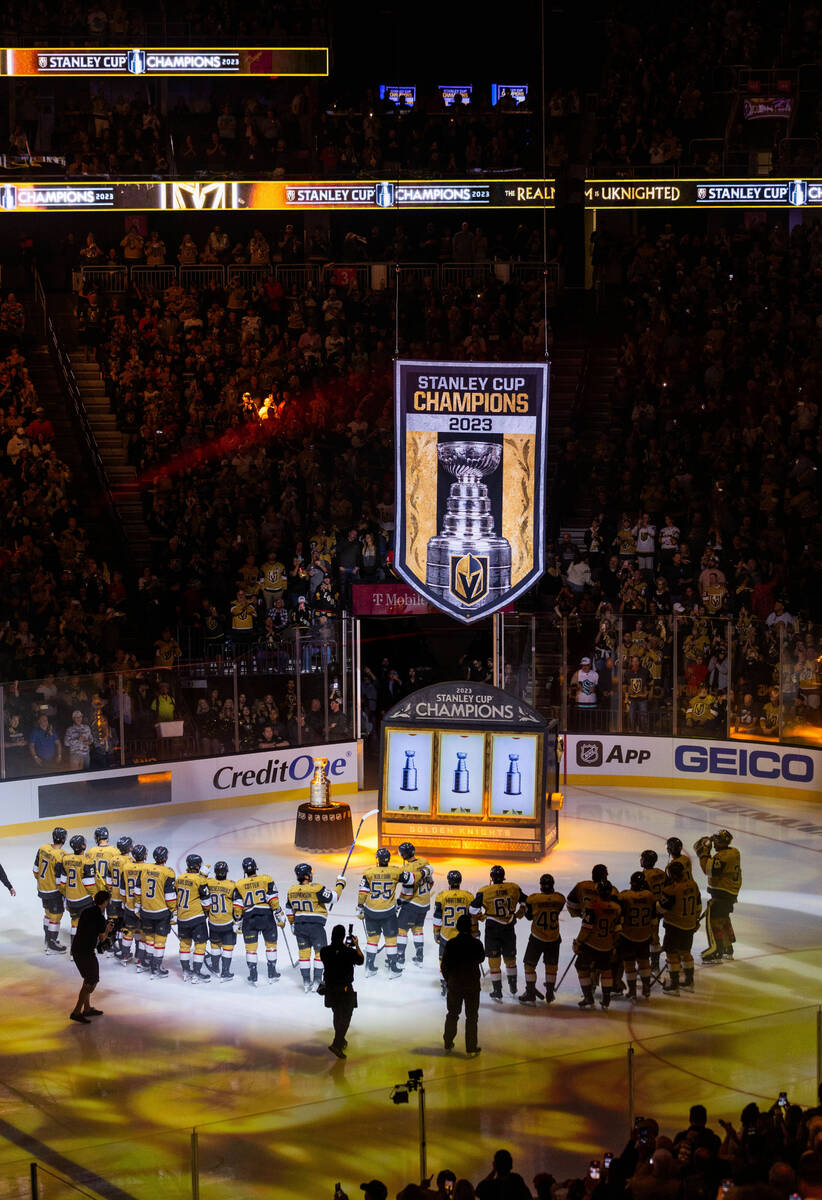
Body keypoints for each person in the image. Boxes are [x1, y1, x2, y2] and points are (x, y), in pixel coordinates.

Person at [286, 862, 346, 992]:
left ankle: (306, 981)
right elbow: (334, 897)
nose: (312, 874)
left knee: (304, 954)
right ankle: (318, 981)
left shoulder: (292, 890)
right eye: (310, 872)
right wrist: (340, 883)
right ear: (306, 875)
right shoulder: (316, 888)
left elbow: (288, 909)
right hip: (315, 927)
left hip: (299, 927)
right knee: (320, 953)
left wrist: (292, 923)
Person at [470, 866, 526, 1002]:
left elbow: (472, 909)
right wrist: (522, 909)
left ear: (491, 877)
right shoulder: (513, 887)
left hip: (493, 928)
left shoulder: (485, 890)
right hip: (509, 927)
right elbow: (526, 900)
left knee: (494, 961)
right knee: (510, 958)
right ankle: (513, 987)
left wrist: (481, 916)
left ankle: (497, 991)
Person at [232, 856, 286, 986]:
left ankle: (253, 974)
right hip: (266, 916)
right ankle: (272, 973)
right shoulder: (266, 879)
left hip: (249, 919)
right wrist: (279, 913)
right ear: (255, 867)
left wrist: (238, 920)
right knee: (271, 945)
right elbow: (273, 899)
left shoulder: (239, 884)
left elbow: (238, 905)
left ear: (244, 870)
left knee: (251, 948)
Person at [357, 848, 408, 977]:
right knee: (391, 939)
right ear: (388, 859)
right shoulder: (396, 871)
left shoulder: (369, 872)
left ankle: (369, 967)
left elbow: (362, 891)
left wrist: (360, 906)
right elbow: (410, 881)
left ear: (377, 860)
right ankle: (392, 968)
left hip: (371, 910)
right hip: (388, 912)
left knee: (373, 938)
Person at [694, 829, 741, 963]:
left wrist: (704, 853)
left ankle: (716, 950)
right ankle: (727, 948)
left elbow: (708, 870)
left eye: (716, 841)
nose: (714, 844)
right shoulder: (734, 852)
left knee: (713, 921)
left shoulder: (723, 857)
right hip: (729, 893)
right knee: (723, 919)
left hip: (723, 893)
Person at [441, 913, 485, 1055]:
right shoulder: (476, 944)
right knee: (472, 1017)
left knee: (452, 1014)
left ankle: (448, 1042)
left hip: (455, 984)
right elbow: (481, 958)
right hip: (472, 985)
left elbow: (445, 966)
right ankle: (471, 1047)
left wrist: (449, 980)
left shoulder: (451, 943)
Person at [575, 879, 622, 1009]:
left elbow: (586, 928)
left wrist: (579, 942)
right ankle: (606, 999)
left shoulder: (593, 906)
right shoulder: (616, 908)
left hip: (591, 945)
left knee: (581, 967)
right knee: (606, 970)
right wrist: (613, 945)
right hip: (607, 945)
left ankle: (588, 997)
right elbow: (617, 929)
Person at [519, 873, 565, 1006]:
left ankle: (530, 992)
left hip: (537, 938)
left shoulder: (534, 899)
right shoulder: (559, 898)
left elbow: (528, 917)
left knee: (529, 965)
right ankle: (550, 992)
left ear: (541, 886)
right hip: (554, 938)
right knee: (551, 966)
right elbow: (560, 907)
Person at [319, 923, 363, 1058]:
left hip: (330, 990)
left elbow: (336, 956)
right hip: (344, 990)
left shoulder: (324, 951)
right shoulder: (349, 952)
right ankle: (336, 1044)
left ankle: (340, 1039)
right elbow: (360, 960)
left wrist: (344, 947)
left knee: (337, 1015)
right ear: (344, 936)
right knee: (346, 1017)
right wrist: (356, 946)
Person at [69, 889, 114, 1023]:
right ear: (105, 902)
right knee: (92, 981)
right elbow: (102, 938)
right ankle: (76, 1011)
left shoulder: (86, 911)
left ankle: (87, 1008)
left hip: (77, 949)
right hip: (85, 952)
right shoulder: (100, 917)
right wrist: (107, 929)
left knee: (88, 979)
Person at [659, 860, 702, 995]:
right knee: (686, 952)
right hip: (689, 925)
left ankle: (674, 985)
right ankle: (689, 982)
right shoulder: (693, 885)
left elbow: (661, 909)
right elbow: (698, 905)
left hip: (674, 926)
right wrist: (694, 920)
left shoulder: (671, 890)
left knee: (672, 954)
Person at [433, 869, 476, 996]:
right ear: (460, 881)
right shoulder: (468, 896)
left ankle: (446, 983)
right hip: (463, 936)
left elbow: (437, 917)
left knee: (444, 960)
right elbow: (472, 917)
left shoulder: (442, 896)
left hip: (446, 935)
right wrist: (474, 932)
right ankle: (463, 983)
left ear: (449, 881)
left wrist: (436, 932)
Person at [139, 846, 178, 976]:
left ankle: (148, 962)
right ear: (165, 858)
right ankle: (156, 967)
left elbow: (137, 890)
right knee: (160, 941)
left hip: (145, 910)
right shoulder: (168, 872)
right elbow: (170, 896)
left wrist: (139, 906)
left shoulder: (145, 868)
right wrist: (174, 911)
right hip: (161, 912)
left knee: (149, 937)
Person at [617, 871, 656, 1001]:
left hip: (628, 936)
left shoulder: (625, 896)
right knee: (644, 962)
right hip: (645, 934)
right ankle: (646, 988)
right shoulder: (649, 895)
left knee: (629, 964)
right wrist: (653, 934)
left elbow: (620, 918)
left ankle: (632, 990)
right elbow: (654, 919)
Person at [396, 841, 434, 968]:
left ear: (403, 855)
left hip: (412, 904)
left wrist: (399, 902)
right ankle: (419, 957)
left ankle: (400, 958)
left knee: (401, 930)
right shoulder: (424, 861)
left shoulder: (407, 870)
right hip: (425, 903)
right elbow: (431, 882)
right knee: (417, 929)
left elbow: (407, 893)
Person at [175, 854, 211, 984]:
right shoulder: (200, 880)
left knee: (184, 944)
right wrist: (207, 913)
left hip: (182, 917)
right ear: (197, 866)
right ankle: (197, 972)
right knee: (200, 945)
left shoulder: (179, 878)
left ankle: (186, 971)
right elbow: (206, 902)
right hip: (196, 918)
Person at [56, 834, 97, 946]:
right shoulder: (87, 861)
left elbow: (62, 883)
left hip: (71, 899)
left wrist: (67, 895)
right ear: (83, 846)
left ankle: (74, 952)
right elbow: (89, 885)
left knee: (75, 923)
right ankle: (86, 948)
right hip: (84, 900)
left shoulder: (66, 859)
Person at [33, 826, 67, 953]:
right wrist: (64, 892)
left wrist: (42, 883)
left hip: (42, 889)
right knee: (56, 916)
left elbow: (35, 870)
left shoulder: (42, 849)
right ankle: (52, 945)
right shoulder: (60, 855)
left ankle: (48, 940)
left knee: (48, 914)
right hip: (54, 891)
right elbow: (60, 881)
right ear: (63, 839)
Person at [206, 860, 238, 980]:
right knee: (228, 947)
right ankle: (225, 972)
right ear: (226, 872)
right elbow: (237, 904)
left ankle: (215, 968)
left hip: (213, 922)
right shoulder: (231, 885)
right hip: (228, 922)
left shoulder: (209, 882)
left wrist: (203, 874)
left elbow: (198, 883)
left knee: (215, 945)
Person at [118, 842, 146, 966]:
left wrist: (124, 902)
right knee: (141, 933)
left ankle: (124, 955)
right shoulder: (147, 868)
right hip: (142, 908)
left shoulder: (126, 867)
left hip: (129, 905)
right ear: (145, 856)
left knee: (128, 932)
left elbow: (122, 889)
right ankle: (140, 959)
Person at [639, 850, 667, 970]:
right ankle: (655, 963)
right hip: (662, 906)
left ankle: (652, 964)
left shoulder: (643, 876)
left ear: (646, 861)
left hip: (651, 910)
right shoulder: (661, 872)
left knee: (650, 935)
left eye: (642, 858)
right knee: (655, 935)